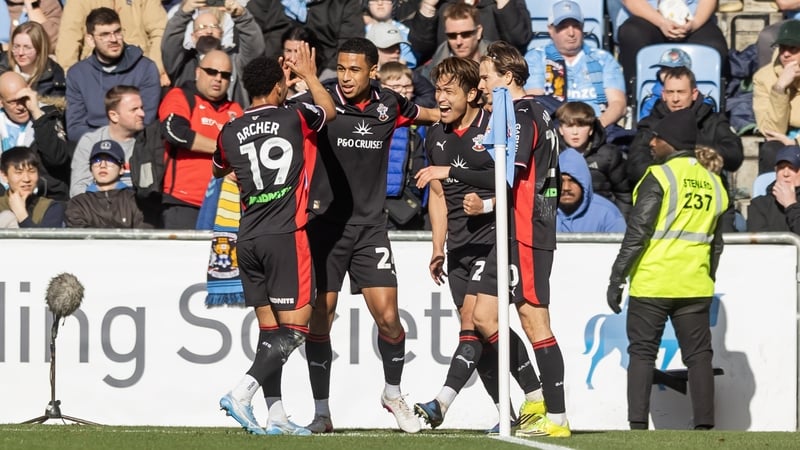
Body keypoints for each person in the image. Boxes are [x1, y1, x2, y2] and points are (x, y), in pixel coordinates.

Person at [303, 37, 439, 434]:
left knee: (390, 319)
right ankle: (321, 411)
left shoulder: (390, 105)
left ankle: (393, 393)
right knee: (320, 320)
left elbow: (428, 114)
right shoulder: (319, 100)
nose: (345, 77)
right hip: (325, 228)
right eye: (341, 68)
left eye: (354, 69)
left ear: (373, 72)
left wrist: (460, 111)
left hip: (370, 229)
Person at [411, 56, 545, 432]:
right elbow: (437, 194)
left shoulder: (493, 130)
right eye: (437, 90)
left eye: (449, 91)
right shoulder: (436, 135)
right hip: (459, 248)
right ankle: (509, 414)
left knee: (482, 321)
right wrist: (438, 246)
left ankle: (449, 402)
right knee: (477, 335)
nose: (440, 99)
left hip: (493, 240)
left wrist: (484, 203)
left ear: (472, 93)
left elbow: (506, 180)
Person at [214, 46, 336, 436]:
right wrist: (310, 77)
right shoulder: (293, 115)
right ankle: (242, 391)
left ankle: (277, 415)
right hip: (286, 235)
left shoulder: (229, 130)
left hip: (247, 237)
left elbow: (221, 171)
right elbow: (328, 112)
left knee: (270, 334)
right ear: (279, 87)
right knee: (297, 330)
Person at [469, 40, 570, 437]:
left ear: (507, 78)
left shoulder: (521, 115)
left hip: (527, 230)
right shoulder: (536, 113)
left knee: (533, 319)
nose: (480, 86)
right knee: (482, 315)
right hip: (515, 227)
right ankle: (533, 397)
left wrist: (450, 172)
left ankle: (556, 417)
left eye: (485, 77)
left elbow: (510, 173)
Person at [607, 108, 728, 431]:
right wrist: (706, 275)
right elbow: (717, 244)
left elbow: (638, 233)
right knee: (700, 355)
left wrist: (616, 278)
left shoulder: (659, 176)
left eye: (656, 137)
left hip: (654, 281)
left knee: (643, 353)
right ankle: (704, 427)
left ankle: (637, 428)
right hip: (695, 284)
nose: (651, 143)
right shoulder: (714, 182)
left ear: (670, 142)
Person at [627, 66, 742, 231]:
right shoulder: (650, 124)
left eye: (681, 92)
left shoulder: (712, 121)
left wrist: (694, 150)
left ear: (694, 94)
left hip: (707, 198)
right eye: (670, 92)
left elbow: (734, 155)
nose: (675, 99)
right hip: (665, 200)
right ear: (663, 95)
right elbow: (636, 167)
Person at [159, 49, 243, 229]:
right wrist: (222, 149)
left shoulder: (236, 110)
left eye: (225, 75)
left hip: (226, 203)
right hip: (183, 201)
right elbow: (174, 132)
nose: (218, 78)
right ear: (198, 72)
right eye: (212, 71)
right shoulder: (180, 96)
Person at [524, 0, 626, 129]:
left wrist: (596, 127)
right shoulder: (536, 58)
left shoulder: (603, 58)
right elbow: (535, 102)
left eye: (576, 26)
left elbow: (618, 104)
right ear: (551, 29)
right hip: (555, 128)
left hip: (597, 126)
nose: (571, 33)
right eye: (563, 26)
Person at [64, 7, 161, 142]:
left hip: (135, 146)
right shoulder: (77, 74)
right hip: (93, 148)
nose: (114, 39)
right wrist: (104, 145)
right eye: (104, 35)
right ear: (90, 40)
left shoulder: (145, 68)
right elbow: (75, 128)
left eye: (117, 32)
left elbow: (146, 121)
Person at [616, 0, 729, 103]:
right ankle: (636, 101)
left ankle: (706, 102)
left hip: (694, 18)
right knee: (632, 34)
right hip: (647, 16)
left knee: (715, 47)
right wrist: (662, 22)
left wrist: (694, 24)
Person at [161, 0, 264, 108]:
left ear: (221, 34)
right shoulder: (183, 62)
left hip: (231, 120)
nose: (209, 31)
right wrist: (184, 13)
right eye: (202, 27)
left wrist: (242, 17)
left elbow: (255, 49)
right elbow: (170, 42)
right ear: (193, 36)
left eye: (214, 26)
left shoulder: (235, 61)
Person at [56, 0, 168, 85]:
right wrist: (74, 80)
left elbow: (160, 31)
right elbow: (69, 40)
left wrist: (154, 70)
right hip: (97, 74)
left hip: (140, 70)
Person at [0, 71, 72, 201]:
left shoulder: (48, 116)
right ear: (1, 102)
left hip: (43, 199)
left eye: (23, 99)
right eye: (12, 102)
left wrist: (37, 115)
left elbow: (56, 158)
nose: (21, 107)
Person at [246, 0, 364, 74]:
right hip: (273, 69)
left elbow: (350, 44)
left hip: (324, 70)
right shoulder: (265, 3)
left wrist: (323, 80)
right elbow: (249, 34)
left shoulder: (344, 3)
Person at [554, 101, 631, 215]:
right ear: (561, 129)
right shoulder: (550, 155)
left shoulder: (608, 155)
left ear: (591, 129)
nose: (575, 132)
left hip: (601, 221)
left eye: (581, 126)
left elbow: (624, 195)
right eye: (569, 126)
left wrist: (620, 225)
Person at [70, 86, 146, 197]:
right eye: (134, 109)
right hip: (95, 209)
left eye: (141, 108)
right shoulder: (90, 142)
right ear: (114, 116)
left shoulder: (148, 141)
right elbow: (78, 189)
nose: (142, 114)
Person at [378, 62, 428, 230]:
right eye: (396, 86)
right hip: (384, 202)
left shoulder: (420, 115)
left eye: (407, 86)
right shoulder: (377, 116)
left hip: (410, 199)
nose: (403, 90)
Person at [408, 0, 532, 67]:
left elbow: (519, 39)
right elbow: (420, 46)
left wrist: (503, 3)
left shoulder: (495, 4)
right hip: (447, 74)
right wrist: (428, 5)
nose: (459, 41)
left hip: (491, 75)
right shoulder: (442, 4)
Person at [754, 20, 800, 175]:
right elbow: (770, 131)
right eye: (782, 48)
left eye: (793, 48)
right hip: (782, 138)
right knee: (771, 149)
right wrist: (780, 88)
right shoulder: (764, 77)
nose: (786, 54)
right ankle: (770, 197)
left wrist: (796, 143)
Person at [65, 139, 145, 228]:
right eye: (97, 160)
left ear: (122, 169)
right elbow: (79, 235)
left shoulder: (136, 201)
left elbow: (143, 234)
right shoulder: (78, 203)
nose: (102, 165)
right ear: (91, 168)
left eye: (110, 160)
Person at [557, 147, 626, 233]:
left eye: (573, 181)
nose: (566, 187)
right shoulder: (540, 213)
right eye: (560, 182)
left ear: (584, 183)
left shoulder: (608, 214)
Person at [0, 146, 64, 227]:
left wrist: (22, 215)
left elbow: (46, 239)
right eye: (19, 172)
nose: (26, 179)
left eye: (32, 171)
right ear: (4, 176)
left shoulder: (49, 207)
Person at [0, 21, 66, 98]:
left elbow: (55, 108)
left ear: (40, 48)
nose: (20, 53)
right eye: (16, 46)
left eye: (27, 47)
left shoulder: (54, 76)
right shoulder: (2, 63)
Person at [747, 145, 800, 233]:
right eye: (781, 168)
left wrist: (791, 205)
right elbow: (758, 242)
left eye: (792, 168)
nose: (786, 174)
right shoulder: (759, 204)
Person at [364, 0, 416, 68]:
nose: (380, 3)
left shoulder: (405, 32)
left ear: (393, 3)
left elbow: (403, 65)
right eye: (374, 0)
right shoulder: (358, 31)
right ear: (367, 4)